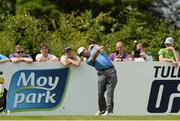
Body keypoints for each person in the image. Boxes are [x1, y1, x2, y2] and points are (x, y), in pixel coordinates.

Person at [78, 45, 117, 116]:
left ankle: (109, 111)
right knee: (100, 93)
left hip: (111, 71)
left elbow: (95, 46)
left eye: (83, 52)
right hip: (101, 74)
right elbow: (93, 57)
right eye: (81, 54)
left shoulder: (94, 49)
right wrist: (98, 50)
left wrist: (95, 47)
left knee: (110, 92)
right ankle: (102, 110)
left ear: (85, 49)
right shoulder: (88, 60)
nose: (83, 54)